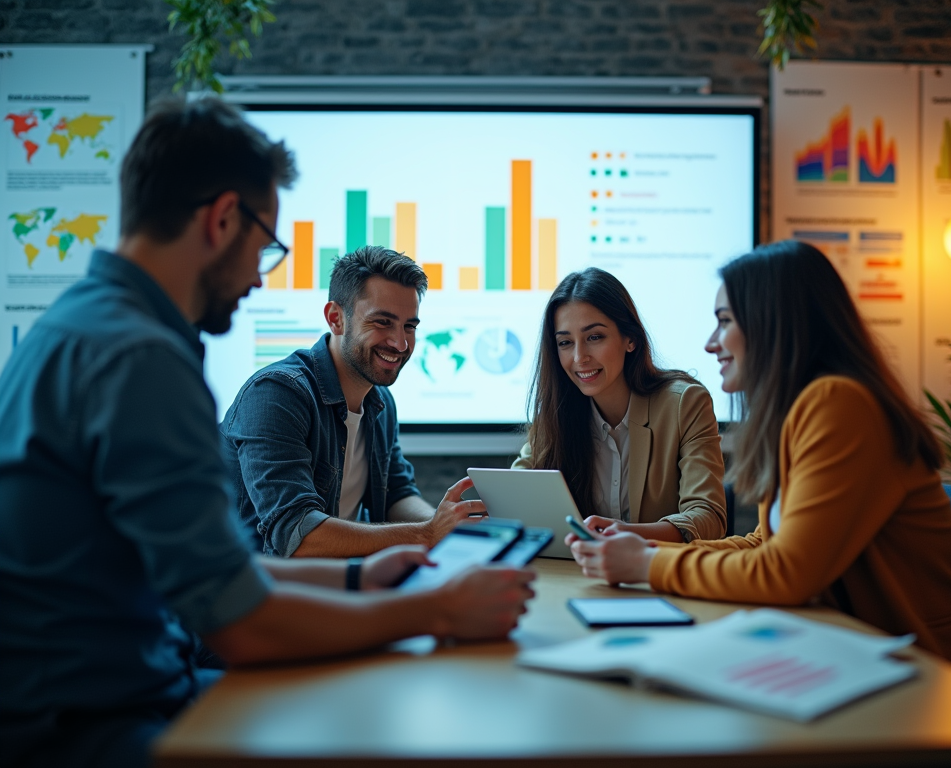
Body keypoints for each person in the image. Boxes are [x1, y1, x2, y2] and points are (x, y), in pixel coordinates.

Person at [0, 98, 535, 768]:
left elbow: (216, 573)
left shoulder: (82, 325)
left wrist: (356, 580)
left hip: (104, 690)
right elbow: (240, 620)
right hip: (93, 722)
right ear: (223, 218)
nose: (258, 277)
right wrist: (437, 612)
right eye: (265, 248)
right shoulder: (142, 359)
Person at [567, 240, 951, 690]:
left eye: (724, 322)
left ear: (772, 322)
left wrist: (647, 565)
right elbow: (765, 545)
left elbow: (786, 574)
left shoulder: (839, 404)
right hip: (880, 661)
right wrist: (646, 550)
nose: (710, 344)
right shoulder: (799, 412)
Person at [221, 246, 484, 559]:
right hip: (260, 597)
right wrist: (427, 533)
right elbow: (296, 536)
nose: (400, 344)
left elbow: (396, 496)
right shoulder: (276, 394)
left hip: (337, 581)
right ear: (336, 319)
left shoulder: (380, 400)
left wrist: (454, 528)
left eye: (409, 326)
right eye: (382, 322)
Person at [514, 267, 726, 543]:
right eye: (565, 342)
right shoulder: (555, 414)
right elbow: (516, 494)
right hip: (579, 577)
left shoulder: (684, 404)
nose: (579, 357)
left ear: (631, 339)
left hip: (659, 575)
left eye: (594, 337)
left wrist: (627, 535)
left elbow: (709, 517)